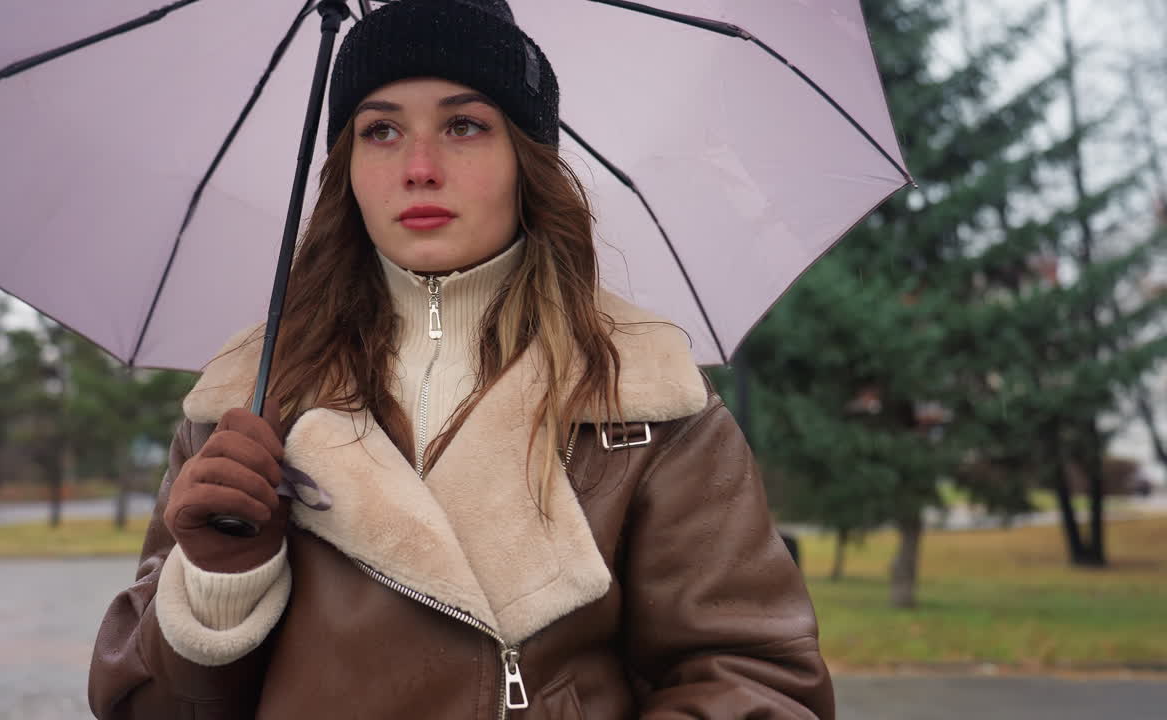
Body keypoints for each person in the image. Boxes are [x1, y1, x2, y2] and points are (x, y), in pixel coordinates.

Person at [88, 0, 833, 717]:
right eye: (380, 131)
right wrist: (219, 587)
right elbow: (144, 705)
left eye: (465, 125)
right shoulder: (245, 398)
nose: (418, 167)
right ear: (345, 167)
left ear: (525, 159)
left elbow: (757, 682)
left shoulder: (645, 398)